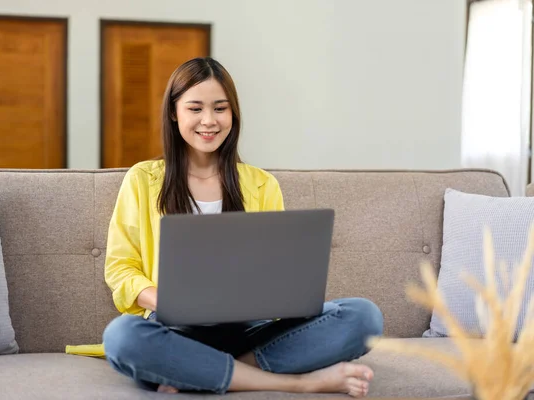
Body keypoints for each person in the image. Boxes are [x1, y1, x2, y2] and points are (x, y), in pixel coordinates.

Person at [100, 57, 384, 397]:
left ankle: (196, 371)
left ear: (233, 114)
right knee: (122, 337)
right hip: (175, 330)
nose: (209, 120)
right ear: (174, 113)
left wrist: (284, 295)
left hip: (251, 329)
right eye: (195, 108)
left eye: (220, 108)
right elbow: (120, 270)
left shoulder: (263, 185)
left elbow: (278, 271)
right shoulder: (143, 180)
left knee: (363, 317)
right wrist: (168, 302)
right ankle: (298, 382)